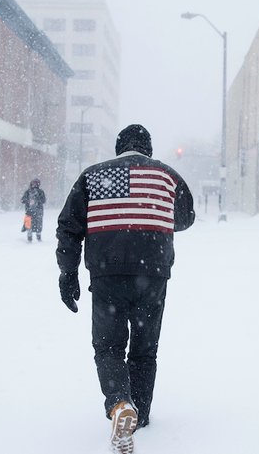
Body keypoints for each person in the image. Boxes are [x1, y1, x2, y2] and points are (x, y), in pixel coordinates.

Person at [55, 124, 195, 454]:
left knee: (109, 346)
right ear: (148, 148)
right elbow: (185, 218)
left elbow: (69, 227)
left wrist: (68, 273)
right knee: (144, 350)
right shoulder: (167, 176)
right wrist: (151, 214)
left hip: (108, 274)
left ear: (119, 148)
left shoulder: (92, 176)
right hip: (153, 274)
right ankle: (139, 416)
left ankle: (120, 403)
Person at [21, 178, 46, 242]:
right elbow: (22, 200)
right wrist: (28, 201)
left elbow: (43, 200)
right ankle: (29, 237)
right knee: (29, 224)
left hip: (38, 211)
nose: (34, 184)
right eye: (33, 183)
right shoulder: (27, 192)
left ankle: (38, 237)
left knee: (38, 224)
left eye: (36, 183)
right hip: (29, 211)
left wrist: (37, 200)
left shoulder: (41, 192)